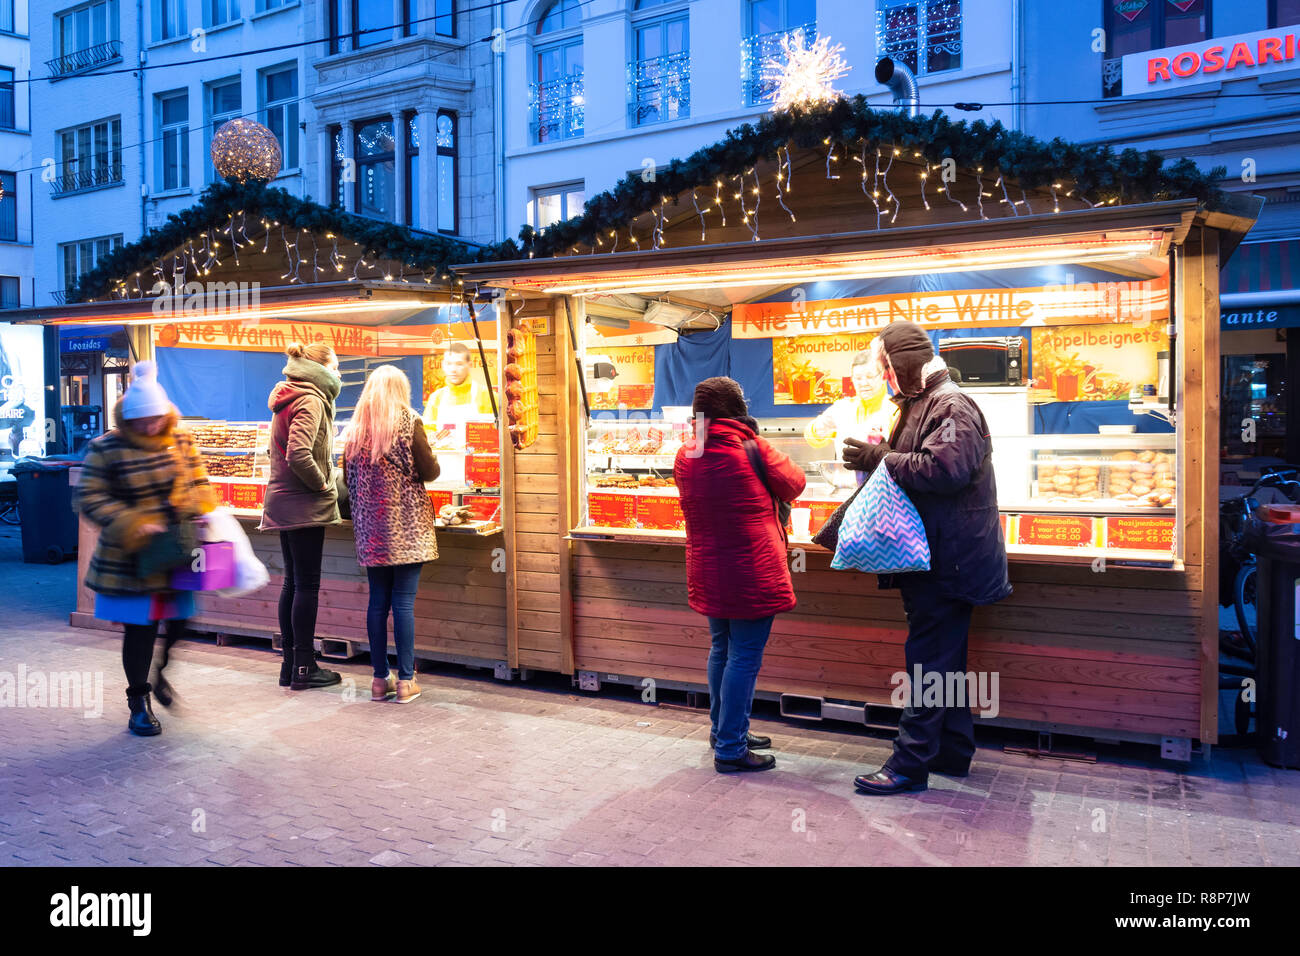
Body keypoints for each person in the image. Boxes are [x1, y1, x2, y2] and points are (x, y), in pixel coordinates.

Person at [840, 321, 1011, 795]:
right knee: (944, 660)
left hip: (948, 561)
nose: (886, 379)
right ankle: (952, 754)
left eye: (887, 370)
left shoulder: (951, 404)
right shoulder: (923, 402)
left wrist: (878, 458)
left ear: (905, 364)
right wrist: (881, 454)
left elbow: (944, 470)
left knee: (928, 664)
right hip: (938, 557)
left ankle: (909, 764)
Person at [73, 360, 218, 736]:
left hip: (175, 548)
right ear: (130, 418)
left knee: (181, 621)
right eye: (143, 421)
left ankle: (161, 673)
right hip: (131, 556)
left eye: (156, 418)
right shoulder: (107, 447)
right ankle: (139, 702)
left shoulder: (182, 439)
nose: (151, 426)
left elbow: (200, 482)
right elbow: (89, 498)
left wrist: (196, 507)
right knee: (140, 628)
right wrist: (135, 522)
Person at [674, 377, 806, 773]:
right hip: (751, 569)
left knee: (721, 648)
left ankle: (724, 730)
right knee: (744, 656)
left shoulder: (686, 453)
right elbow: (796, 483)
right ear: (736, 409)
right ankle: (731, 749)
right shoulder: (751, 447)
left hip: (709, 567)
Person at [342, 365, 440, 704]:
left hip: (371, 529)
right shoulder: (408, 422)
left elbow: (346, 479)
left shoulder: (355, 429)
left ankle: (379, 680)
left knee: (377, 602)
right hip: (407, 528)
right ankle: (407, 680)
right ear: (401, 391)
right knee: (403, 603)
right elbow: (430, 471)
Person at [261, 342, 344, 691]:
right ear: (322, 368)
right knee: (306, 584)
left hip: (283, 499)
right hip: (303, 503)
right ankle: (305, 667)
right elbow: (298, 453)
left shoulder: (288, 394)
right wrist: (324, 484)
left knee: (292, 582)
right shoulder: (310, 399)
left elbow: (274, 450)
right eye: (336, 366)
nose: (339, 373)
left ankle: (290, 665)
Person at [804, 349, 897, 459]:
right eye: (858, 378)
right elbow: (812, 438)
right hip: (844, 475)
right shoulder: (843, 408)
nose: (863, 383)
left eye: (870, 377)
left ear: (883, 376)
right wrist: (817, 429)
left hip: (881, 475)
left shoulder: (894, 410)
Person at [423, 342, 494, 427]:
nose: (453, 369)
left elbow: (497, 433)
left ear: (470, 365)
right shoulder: (436, 398)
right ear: (443, 366)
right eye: (449, 364)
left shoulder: (487, 396)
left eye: (459, 364)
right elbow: (428, 432)